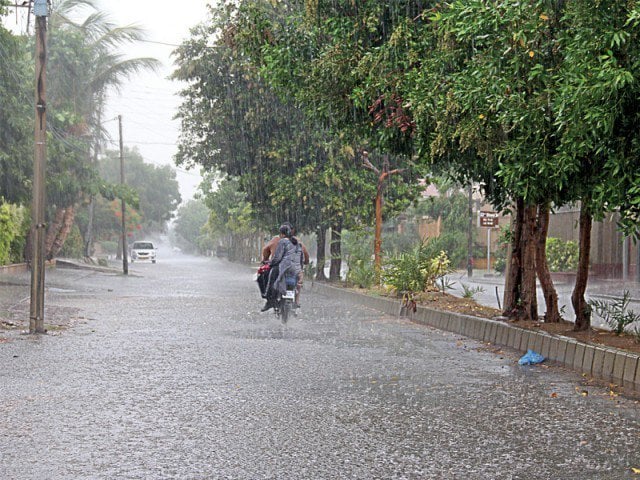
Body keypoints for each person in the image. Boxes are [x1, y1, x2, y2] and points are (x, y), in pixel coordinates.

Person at [261, 222, 309, 307]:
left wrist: (270, 263)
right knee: (299, 283)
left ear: (282, 234)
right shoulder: (298, 242)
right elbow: (303, 256)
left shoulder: (281, 241)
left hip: (284, 267)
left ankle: (269, 298)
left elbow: (277, 257)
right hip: (297, 269)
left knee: (272, 275)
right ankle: (297, 301)